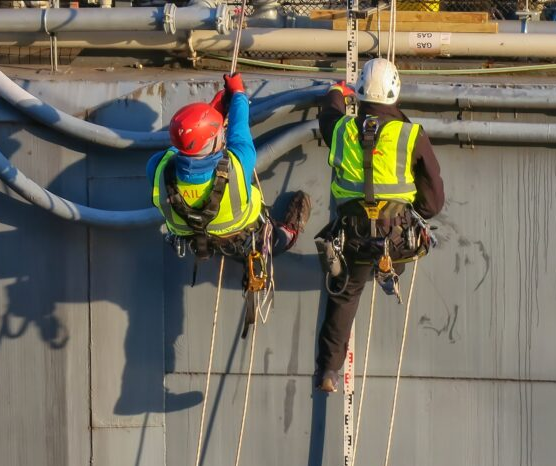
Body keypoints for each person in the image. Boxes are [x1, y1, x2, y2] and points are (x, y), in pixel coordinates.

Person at [314, 58, 445, 393]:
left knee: (344, 295)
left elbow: (329, 116)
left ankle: (329, 370)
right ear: (395, 92)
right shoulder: (411, 135)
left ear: (359, 93)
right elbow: (432, 205)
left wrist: (335, 92)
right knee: (400, 248)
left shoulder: (342, 130)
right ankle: (390, 271)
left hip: (353, 236)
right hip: (397, 238)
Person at [148, 73, 311, 268]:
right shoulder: (238, 162)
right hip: (246, 235)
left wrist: (211, 113)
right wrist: (238, 93)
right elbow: (239, 128)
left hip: (199, 239)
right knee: (279, 241)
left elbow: (183, 147)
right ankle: (289, 233)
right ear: (213, 141)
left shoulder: (156, 167)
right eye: (218, 133)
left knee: (218, 233)